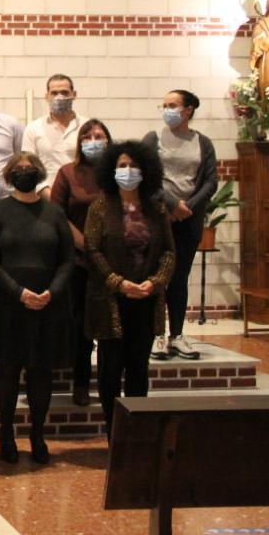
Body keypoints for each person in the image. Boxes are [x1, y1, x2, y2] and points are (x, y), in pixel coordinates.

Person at [0, 151, 73, 465]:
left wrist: (50, 292)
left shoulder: (54, 213)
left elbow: (67, 260)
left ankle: (37, 433)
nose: (25, 171)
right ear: (8, 174)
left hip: (47, 303)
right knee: (7, 369)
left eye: (30, 167)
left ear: (39, 172)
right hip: (8, 302)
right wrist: (18, 292)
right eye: (18, 168)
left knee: (40, 372)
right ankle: (6, 433)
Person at [84, 140, 175, 437]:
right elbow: (92, 250)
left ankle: (136, 435)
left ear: (145, 170)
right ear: (111, 170)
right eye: (122, 166)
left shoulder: (157, 208)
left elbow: (169, 252)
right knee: (110, 371)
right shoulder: (100, 207)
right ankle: (114, 434)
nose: (127, 171)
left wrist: (155, 281)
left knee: (138, 370)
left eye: (133, 165)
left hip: (146, 299)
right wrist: (118, 283)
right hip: (112, 301)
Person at [143, 89, 218, 361]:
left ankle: (177, 334)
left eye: (172, 105)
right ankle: (156, 335)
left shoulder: (203, 142)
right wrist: (171, 203)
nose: (167, 110)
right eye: (163, 105)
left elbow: (210, 181)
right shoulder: (153, 138)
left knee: (179, 277)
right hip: (158, 217)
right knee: (156, 277)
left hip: (189, 219)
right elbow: (146, 176)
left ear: (188, 110)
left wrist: (189, 207)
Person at [50, 119, 112, 406]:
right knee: (80, 325)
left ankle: (110, 383)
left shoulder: (116, 173)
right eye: (88, 136)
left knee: (109, 324)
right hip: (79, 261)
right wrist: (89, 247)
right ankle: (81, 382)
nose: (93, 140)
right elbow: (58, 215)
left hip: (114, 262)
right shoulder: (68, 173)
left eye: (99, 136)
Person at [22, 74, 80, 195]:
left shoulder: (86, 127)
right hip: (45, 199)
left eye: (65, 92)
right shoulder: (33, 128)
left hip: (80, 197)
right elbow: (29, 167)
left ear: (74, 95)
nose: (59, 97)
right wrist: (50, 196)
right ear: (47, 96)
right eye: (54, 93)